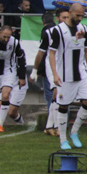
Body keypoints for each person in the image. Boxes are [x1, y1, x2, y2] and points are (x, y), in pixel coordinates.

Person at [47, 3, 87, 150]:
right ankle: (63, 139)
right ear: (70, 12)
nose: (80, 18)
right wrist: (55, 74)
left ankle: (74, 131)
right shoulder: (57, 31)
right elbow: (52, 53)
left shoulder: (84, 29)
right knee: (63, 106)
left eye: (82, 16)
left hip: (82, 73)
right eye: (77, 15)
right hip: (65, 75)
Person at [32, 9, 69, 137]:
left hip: (64, 66)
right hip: (52, 66)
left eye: (67, 17)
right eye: (63, 17)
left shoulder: (70, 32)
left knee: (57, 95)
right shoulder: (49, 33)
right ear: (57, 18)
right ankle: (58, 126)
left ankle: (49, 126)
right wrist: (35, 70)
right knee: (58, 94)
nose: (65, 20)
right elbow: (41, 52)